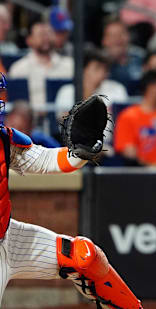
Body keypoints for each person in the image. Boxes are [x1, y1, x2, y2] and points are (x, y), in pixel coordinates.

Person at [0, 77, 142, 308]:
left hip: (10, 237)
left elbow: (44, 160)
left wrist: (79, 150)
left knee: (85, 257)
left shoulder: (4, 139)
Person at [7, 21, 73, 111]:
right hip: (30, 120)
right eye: (41, 34)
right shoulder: (18, 68)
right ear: (29, 40)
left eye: (49, 33)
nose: (45, 38)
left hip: (62, 120)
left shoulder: (70, 65)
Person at [54, 48, 128, 120]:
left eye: (105, 69)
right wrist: (87, 93)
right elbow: (65, 121)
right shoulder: (66, 91)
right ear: (83, 70)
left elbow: (124, 118)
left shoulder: (117, 89)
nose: (102, 73)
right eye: (97, 68)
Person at [102, 19, 145, 84]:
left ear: (129, 36)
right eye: (113, 35)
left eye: (121, 33)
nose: (118, 38)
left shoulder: (141, 57)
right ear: (104, 40)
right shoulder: (99, 62)